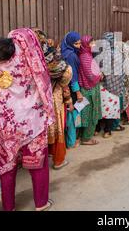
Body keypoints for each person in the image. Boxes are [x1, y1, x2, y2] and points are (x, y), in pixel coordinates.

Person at [0, 30, 55, 211]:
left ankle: (9, 207)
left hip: (6, 130)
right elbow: (44, 86)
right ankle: (41, 203)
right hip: (32, 125)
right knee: (37, 163)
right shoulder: (32, 68)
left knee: (7, 167)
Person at [33, 29, 72, 169]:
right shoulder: (53, 58)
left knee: (40, 129)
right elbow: (66, 74)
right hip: (53, 96)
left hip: (33, 100)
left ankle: (40, 159)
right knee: (57, 127)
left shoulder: (25, 60)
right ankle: (58, 160)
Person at [97, 32, 126, 138]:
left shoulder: (100, 53)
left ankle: (97, 129)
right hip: (115, 85)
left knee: (101, 107)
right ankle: (107, 131)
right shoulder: (118, 53)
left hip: (102, 84)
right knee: (110, 107)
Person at [77, 35, 103, 144]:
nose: (94, 45)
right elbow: (91, 75)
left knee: (86, 113)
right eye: (91, 43)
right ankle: (86, 138)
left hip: (89, 88)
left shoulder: (86, 55)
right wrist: (100, 76)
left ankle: (84, 136)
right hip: (89, 89)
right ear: (86, 45)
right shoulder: (85, 57)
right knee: (90, 114)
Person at [61, 31, 84, 147]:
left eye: (79, 43)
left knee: (67, 115)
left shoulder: (63, 52)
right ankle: (71, 141)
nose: (79, 46)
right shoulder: (71, 56)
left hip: (63, 89)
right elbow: (73, 77)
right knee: (72, 116)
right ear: (70, 43)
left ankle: (68, 140)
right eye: (76, 44)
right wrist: (78, 93)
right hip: (71, 90)